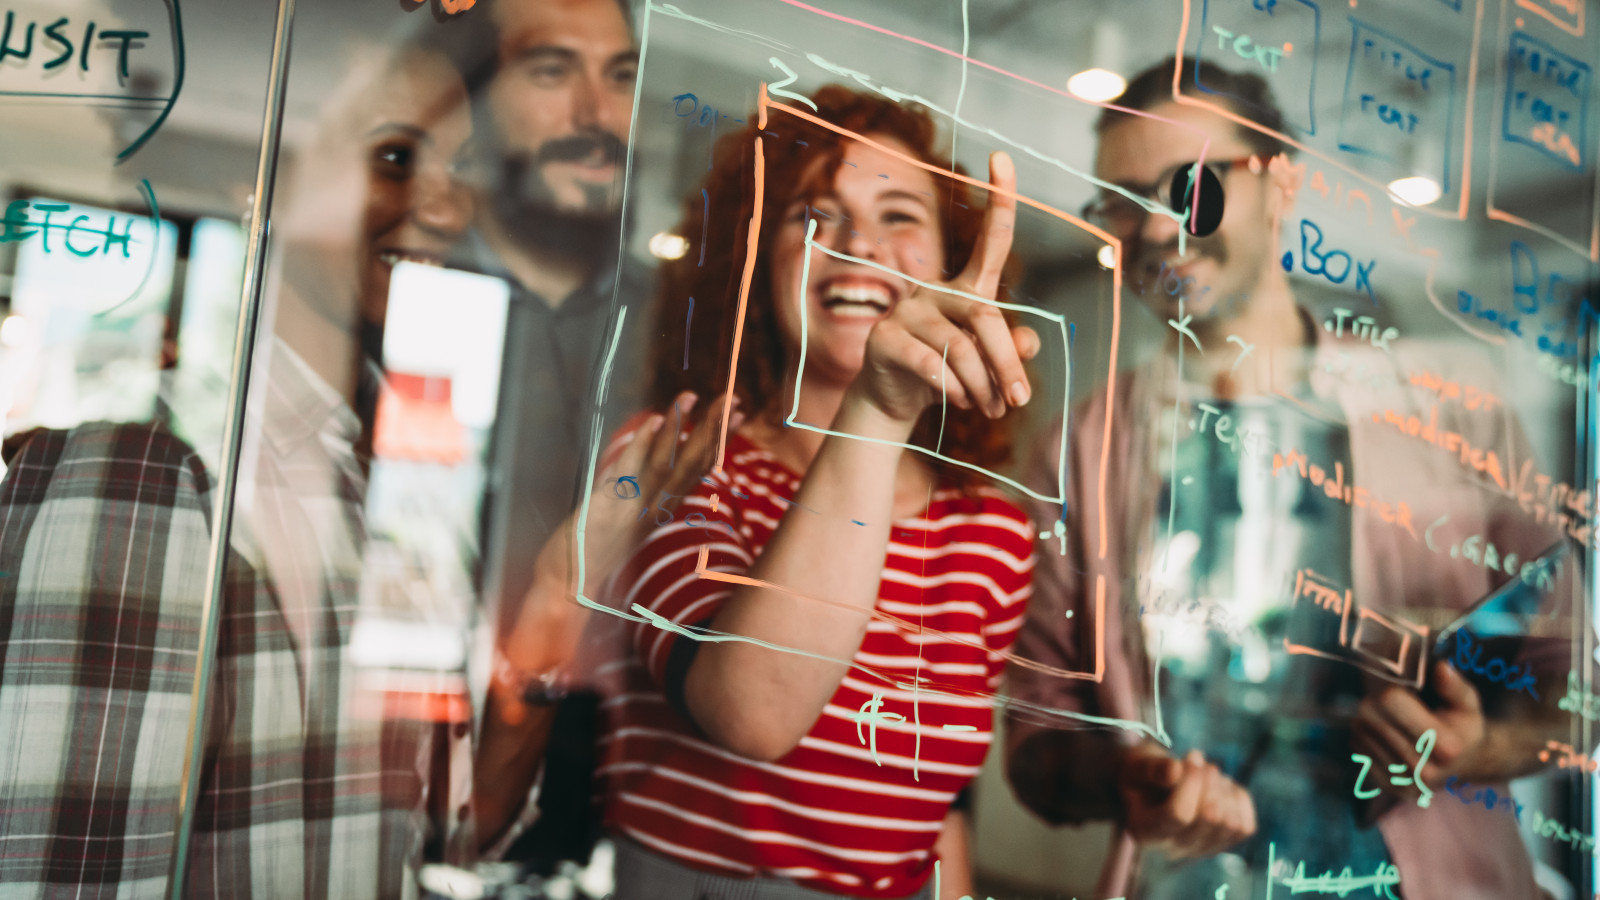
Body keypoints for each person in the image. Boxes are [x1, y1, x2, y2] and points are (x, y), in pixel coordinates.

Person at [1003, 56, 1570, 899]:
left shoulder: (1456, 414)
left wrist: (1477, 749)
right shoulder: (1077, 450)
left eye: (1190, 185)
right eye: (1122, 205)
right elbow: (1035, 740)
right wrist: (1130, 782)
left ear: (1283, 185)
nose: (1158, 229)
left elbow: (1576, 684)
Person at [0, 35, 478, 897]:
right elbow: (64, 875)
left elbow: (410, 837)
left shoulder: (370, 487)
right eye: (398, 156)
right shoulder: (134, 480)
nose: (446, 208)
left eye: (461, 168)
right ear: (270, 181)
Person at [596, 84, 1038, 900]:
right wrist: (879, 409)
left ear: (949, 260)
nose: (860, 245)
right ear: (756, 259)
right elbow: (750, 711)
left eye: (901, 213)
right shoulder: (683, 457)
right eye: (813, 216)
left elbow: (935, 815)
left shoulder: (993, 536)